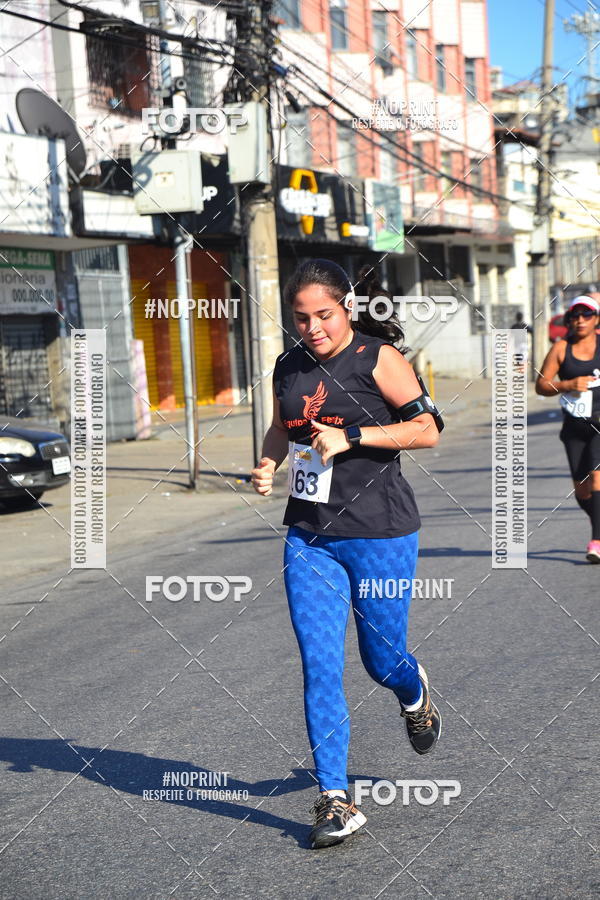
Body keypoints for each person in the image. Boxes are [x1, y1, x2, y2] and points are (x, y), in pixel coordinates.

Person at [250, 259, 443, 849]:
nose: (312, 328)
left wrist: (353, 435)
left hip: (381, 532)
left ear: (348, 308)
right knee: (319, 665)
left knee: (381, 662)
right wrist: (267, 461)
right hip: (309, 535)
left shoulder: (377, 359)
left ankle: (414, 693)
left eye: (324, 315)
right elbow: (284, 427)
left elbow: (429, 428)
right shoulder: (289, 364)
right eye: (302, 317)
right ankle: (336, 798)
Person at [536, 295, 600, 562]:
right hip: (574, 427)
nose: (580, 320)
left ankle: (595, 541)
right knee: (582, 490)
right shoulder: (561, 348)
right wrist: (567, 385)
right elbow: (541, 385)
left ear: (596, 319)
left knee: (597, 477)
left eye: (586, 315)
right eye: (575, 316)